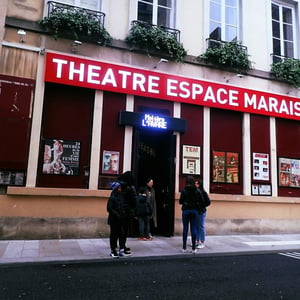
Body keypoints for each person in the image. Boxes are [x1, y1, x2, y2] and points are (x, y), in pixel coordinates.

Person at [117, 171, 138, 256]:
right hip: (127, 211)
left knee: (120, 230)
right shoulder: (130, 187)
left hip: (119, 210)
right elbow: (134, 200)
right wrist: (135, 211)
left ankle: (120, 246)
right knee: (124, 230)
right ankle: (122, 247)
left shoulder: (119, 186)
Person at [179, 175, 201, 254]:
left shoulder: (184, 190)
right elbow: (201, 200)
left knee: (185, 228)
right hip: (194, 210)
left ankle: (184, 247)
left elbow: (180, 201)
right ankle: (194, 248)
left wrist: (185, 202)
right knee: (193, 228)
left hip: (186, 210)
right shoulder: (197, 190)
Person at [106, 181, 128, 258]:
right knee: (114, 235)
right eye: (119, 187)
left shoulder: (120, 196)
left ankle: (121, 250)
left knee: (121, 234)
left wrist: (123, 213)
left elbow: (122, 206)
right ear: (116, 189)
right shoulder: (112, 197)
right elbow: (109, 208)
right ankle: (113, 250)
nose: (120, 188)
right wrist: (117, 214)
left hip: (120, 219)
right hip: (114, 220)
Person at [195, 179, 211, 249]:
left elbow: (208, 202)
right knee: (196, 226)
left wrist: (201, 205)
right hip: (196, 211)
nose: (195, 185)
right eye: (195, 183)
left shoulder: (203, 193)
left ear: (199, 185)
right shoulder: (195, 192)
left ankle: (202, 242)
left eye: (197, 184)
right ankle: (197, 240)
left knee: (201, 226)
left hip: (201, 211)